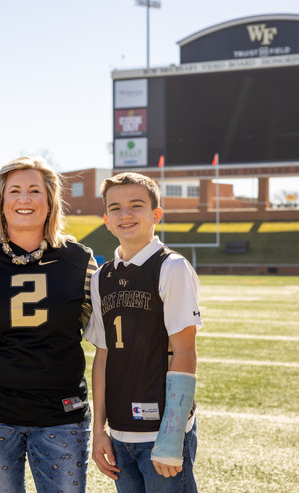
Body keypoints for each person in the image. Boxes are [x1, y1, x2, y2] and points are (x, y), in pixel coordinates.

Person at [0, 156, 97, 493]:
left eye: (35, 190)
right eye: (14, 191)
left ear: (50, 201)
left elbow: (100, 334)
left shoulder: (81, 260)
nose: (24, 199)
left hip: (62, 415)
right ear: (0, 201)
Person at [84, 172, 202, 492]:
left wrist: (172, 435)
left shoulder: (171, 267)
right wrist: (99, 430)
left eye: (136, 206)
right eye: (116, 208)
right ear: (106, 219)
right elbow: (103, 356)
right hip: (120, 433)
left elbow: (185, 352)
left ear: (156, 214)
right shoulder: (101, 276)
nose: (126, 215)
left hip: (160, 432)